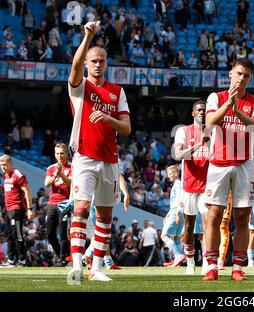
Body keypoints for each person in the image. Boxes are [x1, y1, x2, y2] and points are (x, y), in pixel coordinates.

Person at [67, 21, 131, 283]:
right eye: (93, 60)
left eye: (101, 61)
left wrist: (107, 118)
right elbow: (73, 67)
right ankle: (76, 267)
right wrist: (88, 36)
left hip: (110, 160)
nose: (97, 64)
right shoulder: (80, 87)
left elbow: (126, 128)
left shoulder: (117, 92)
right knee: (81, 209)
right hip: (84, 156)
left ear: (107, 63)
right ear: (86, 63)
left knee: (105, 215)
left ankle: (96, 269)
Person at [203, 58, 254, 281]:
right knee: (214, 215)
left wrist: (237, 111)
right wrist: (228, 105)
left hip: (243, 164)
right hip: (217, 164)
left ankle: (238, 267)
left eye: (246, 75)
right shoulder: (215, 97)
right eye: (239, 73)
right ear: (230, 74)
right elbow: (209, 123)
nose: (242, 78)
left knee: (241, 217)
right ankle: (211, 265)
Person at [173, 100, 210, 275]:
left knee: (208, 224)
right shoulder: (184, 131)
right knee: (189, 226)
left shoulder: (214, 132)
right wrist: (199, 144)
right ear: (193, 113)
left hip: (208, 185)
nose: (202, 112)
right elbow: (178, 154)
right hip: (188, 185)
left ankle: (207, 262)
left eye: (205, 110)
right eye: (199, 110)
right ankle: (190, 262)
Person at [82, 172, 130, 270]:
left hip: (99, 200)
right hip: (99, 201)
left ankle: (108, 261)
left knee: (103, 232)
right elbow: (119, 176)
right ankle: (88, 255)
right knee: (103, 231)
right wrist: (126, 194)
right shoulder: (109, 160)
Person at [0, 155, 33, 267]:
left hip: (17, 209)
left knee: (17, 235)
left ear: (10, 163)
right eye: (1, 165)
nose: (3, 167)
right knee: (8, 235)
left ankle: (22, 261)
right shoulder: (5, 175)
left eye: (4, 164)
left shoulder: (18, 175)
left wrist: (29, 209)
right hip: (8, 210)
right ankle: (10, 261)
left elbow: (27, 192)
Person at [44, 143, 72, 266]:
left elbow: (71, 183)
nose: (59, 156)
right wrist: (56, 174)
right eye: (57, 153)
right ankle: (63, 256)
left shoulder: (72, 168)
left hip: (65, 203)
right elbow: (47, 183)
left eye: (62, 153)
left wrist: (61, 174)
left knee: (63, 234)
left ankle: (63, 260)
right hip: (52, 203)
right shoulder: (51, 168)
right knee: (50, 234)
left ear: (66, 154)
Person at [160, 165, 185, 267]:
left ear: (175, 174)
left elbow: (179, 199)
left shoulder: (177, 184)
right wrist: (168, 215)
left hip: (177, 212)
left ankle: (178, 255)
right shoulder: (178, 184)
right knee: (177, 237)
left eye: (170, 174)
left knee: (164, 235)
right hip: (177, 212)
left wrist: (177, 213)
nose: (168, 176)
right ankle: (177, 259)